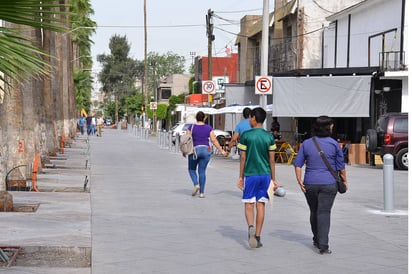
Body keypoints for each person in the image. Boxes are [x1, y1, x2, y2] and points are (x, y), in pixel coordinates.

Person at [293, 115, 348, 255]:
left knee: (314, 211)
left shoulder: (306, 143)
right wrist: (345, 181)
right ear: (328, 127)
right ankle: (323, 244)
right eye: (331, 125)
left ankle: (317, 239)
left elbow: (298, 164)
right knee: (324, 212)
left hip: (310, 183)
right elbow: (341, 166)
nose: (333, 127)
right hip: (329, 183)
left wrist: (299, 180)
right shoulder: (334, 144)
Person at [237, 107, 279, 248]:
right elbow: (272, 160)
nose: (249, 120)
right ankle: (258, 236)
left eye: (250, 118)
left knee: (249, 203)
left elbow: (243, 157)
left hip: (251, 174)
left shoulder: (246, 136)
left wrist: (240, 176)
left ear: (254, 118)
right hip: (265, 175)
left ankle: (250, 227)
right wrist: (274, 179)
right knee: (260, 205)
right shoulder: (269, 137)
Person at [187, 111, 229, 198]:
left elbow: (187, 140)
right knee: (202, 171)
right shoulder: (208, 128)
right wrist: (222, 151)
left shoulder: (191, 127)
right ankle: (202, 193)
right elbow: (213, 140)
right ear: (204, 118)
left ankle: (196, 184)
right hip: (206, 150)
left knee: (191, 169)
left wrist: (185, 151)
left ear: (196, 118)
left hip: (194, 150)